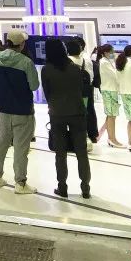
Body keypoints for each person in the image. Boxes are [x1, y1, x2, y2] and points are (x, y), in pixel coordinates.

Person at [40, 39, 91, 199]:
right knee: (81, 152)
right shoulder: (75, 68)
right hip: (77, 112)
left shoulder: (46, 69)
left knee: (60, 153)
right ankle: (85, 187)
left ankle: (62, 186)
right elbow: (82, 90)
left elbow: (47, 93)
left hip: (57, 113)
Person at [0, 31, 38, 194]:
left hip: (3, 109)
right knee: (21, 148)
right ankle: (20, 183)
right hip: (23, 110)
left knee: (1, 143)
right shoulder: (26, 62)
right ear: (22, 44)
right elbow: (34, 86)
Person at [66, 38, 95, 150]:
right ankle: (85, 137)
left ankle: (73, 138)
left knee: (71, 116)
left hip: (70, 94)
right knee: (83, 114)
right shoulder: (84, 59)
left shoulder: (67, 61)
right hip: (84, 93)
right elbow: (90, 77)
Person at [96, 44, 122, 147]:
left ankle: (110, 137)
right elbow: (115, 75)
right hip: (109, 90)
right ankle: (112, 138)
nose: (113, 53)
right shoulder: (104, 62)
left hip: (111, 90)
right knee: (112, 116)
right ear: (106, 52)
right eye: (112, 51)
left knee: (111, 115)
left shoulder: (107, 61)